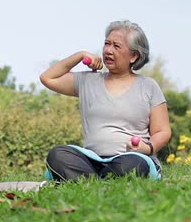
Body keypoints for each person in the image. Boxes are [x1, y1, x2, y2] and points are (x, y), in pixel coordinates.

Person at [40, 20, 171, 182]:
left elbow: (163, 131)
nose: (108, 50)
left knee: (131, 165)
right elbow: (47, 78)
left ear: (133, 56)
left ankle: (89, 182)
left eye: (116, 46)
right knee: (58, 154)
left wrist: (147, 148)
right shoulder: (87, 80)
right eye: (106, 44)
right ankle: (100, 182)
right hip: (91, 161)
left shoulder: (148, 86)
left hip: (130, 158)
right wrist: (79, 55)